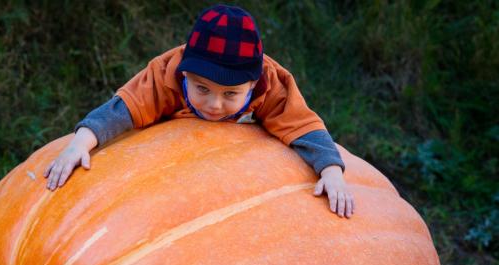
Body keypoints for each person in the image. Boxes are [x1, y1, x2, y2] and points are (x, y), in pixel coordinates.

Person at [44, 4, 354, 218]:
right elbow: (121, 108)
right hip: (166, 171)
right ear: (185, 73)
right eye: (202, 88)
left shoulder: (270, 86)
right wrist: (80, 142)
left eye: (230, 94)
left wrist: (331, 171)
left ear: (252, 84)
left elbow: (304, 126)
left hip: (231, 178)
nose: (214, 104)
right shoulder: (167, 75)